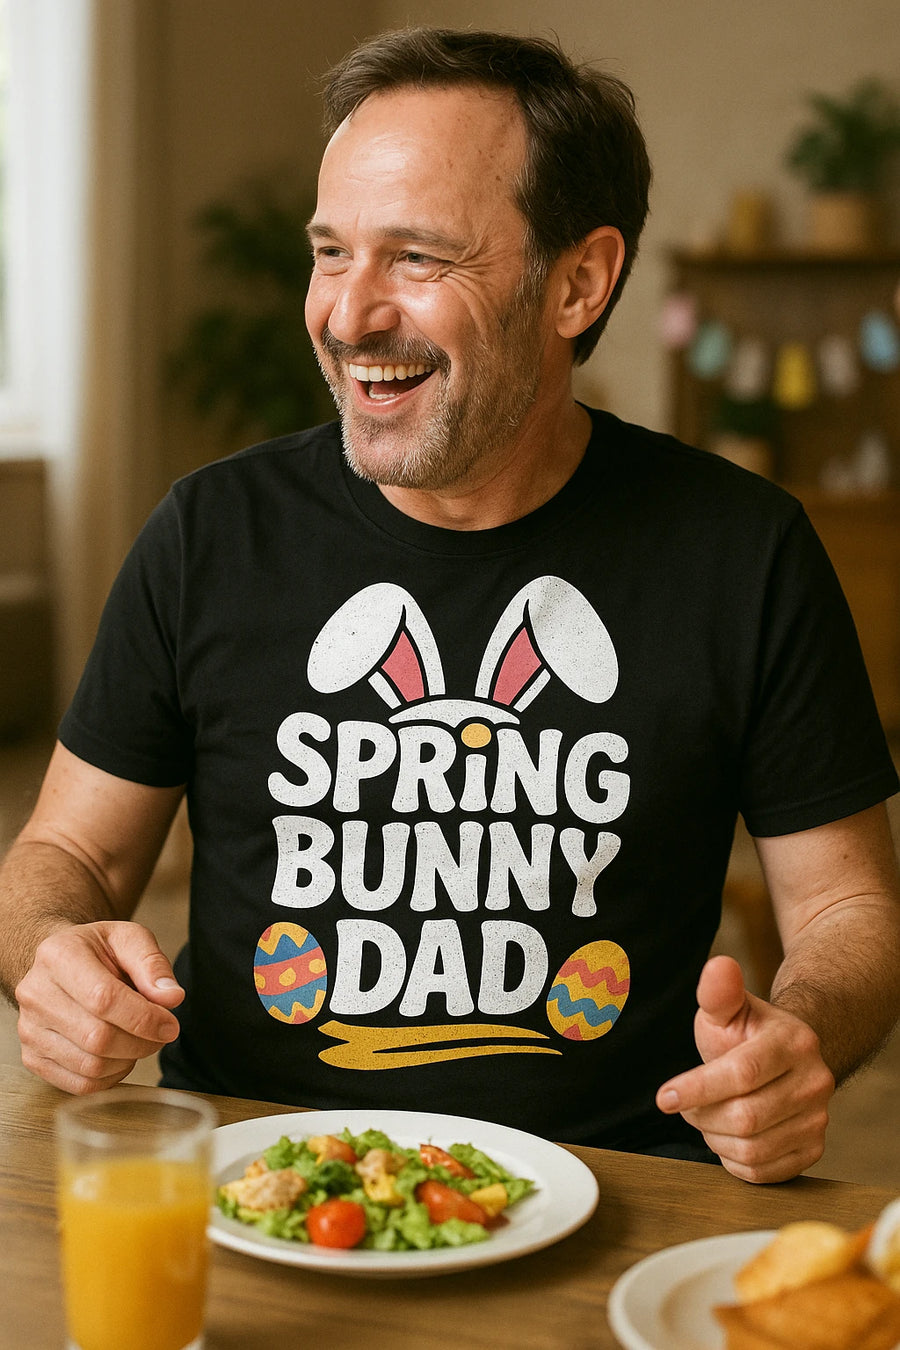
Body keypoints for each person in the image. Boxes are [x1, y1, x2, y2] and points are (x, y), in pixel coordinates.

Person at [3, 27, 900, 1185]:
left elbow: (851, 912)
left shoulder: (745, 550)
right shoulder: (210, 533)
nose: (349, 315)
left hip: (612, 1187)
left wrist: (804, 1037)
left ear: (578, 282)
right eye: (332, 253)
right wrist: (51, 954)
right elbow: (64, 848)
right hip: (252, 1181)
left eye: (417, 260)